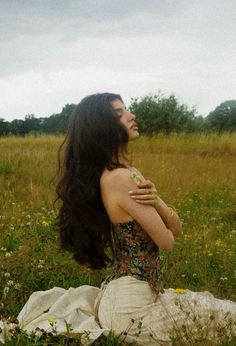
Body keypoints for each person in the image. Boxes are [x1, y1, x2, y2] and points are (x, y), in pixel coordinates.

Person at [0, 93, 236, 345]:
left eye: (127, 109)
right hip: (130, 310)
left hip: (135, 295)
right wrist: (159, 210)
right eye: (120, 113)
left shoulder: (125, 174)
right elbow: (166, 241)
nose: (131, 115)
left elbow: (176, 229)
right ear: (104, 126)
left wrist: (156, 201)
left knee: (225, 313)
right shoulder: (120, 179)